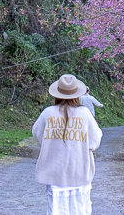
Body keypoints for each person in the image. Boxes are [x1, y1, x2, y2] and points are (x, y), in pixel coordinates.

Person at [32, 74, 103, 215]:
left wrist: (51, 143)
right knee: (80, 210)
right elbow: (95, 140)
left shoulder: (48, 113)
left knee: (56, 210)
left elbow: (37, 133)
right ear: (77, 93)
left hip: (55, 174)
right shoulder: (85, 113)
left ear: (57, 93)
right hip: (79, 171)